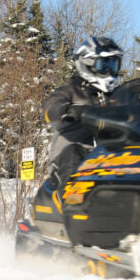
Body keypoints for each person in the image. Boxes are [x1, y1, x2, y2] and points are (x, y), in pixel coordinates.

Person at [42, 36, 124, 193]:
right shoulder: (71, 89)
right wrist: (68, 111)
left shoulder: (117, 96)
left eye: (114, 65)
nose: (109, 71)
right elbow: (49, 108)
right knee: (74, 154)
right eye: (103, 65)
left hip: (108, 156)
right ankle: (68, 201)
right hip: (72, 154)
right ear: (87, 63)